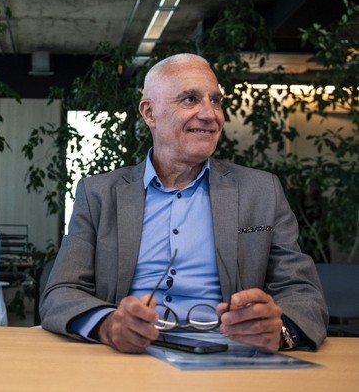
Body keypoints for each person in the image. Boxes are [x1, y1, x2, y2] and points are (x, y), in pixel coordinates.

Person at [40, 53, 328, 354]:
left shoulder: (261, 191)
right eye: (190, 99)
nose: (210, 114)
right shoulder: (99, 194)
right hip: (126, 358)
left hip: (230, 358)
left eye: (215, 101)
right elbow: (61, 292)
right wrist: (109, 325)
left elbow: (303, 292)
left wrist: (280, 331)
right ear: (150, 113)